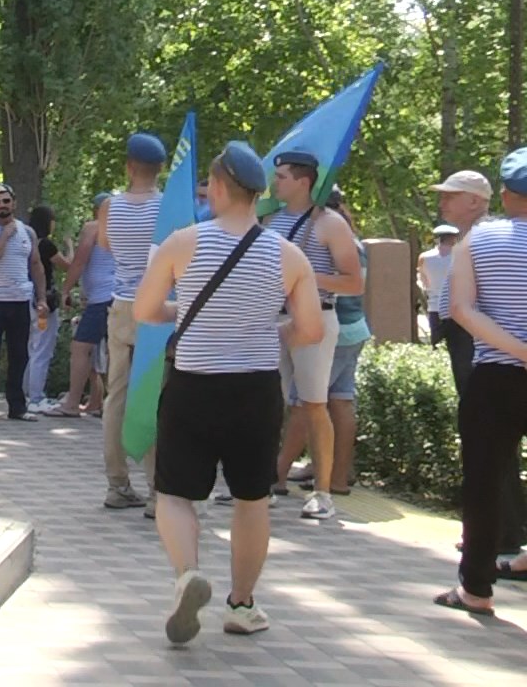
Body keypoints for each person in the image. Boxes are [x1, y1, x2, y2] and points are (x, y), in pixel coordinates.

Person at [137, 141, 323, 644]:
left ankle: (186, 575)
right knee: (252, 498)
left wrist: (182, 314)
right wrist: (269, 329)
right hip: (256, 389)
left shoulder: (182, 243)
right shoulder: (289, 255)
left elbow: (145, 310)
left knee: (174, 492)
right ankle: (242, 604)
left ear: (218, 187)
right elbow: (309, 330)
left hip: (194, 384)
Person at [433, 147, 527, 616]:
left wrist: (518, 349)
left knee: (484, 481)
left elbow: (461, 310)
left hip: (496, 377)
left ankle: (476, 588)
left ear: (507, 194)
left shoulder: (479, 241)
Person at [265, 149, 363, 521]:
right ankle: (262, 482)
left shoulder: (330, 224)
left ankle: (322, 492)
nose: (276, 183)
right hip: (274, 321)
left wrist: (305, 276)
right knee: (266, 402)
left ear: (304, 182)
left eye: (283, 177)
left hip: (314, 320)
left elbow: (354, 283)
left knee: (313, 404)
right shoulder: (272, 221)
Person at [279, 189, 370, 497]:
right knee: (340, 402)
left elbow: (351, 285)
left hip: (333, 326)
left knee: (305, 404)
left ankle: (278, 475)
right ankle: (336, 478)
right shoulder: (354, 240)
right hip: (351, 329)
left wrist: (303, 276)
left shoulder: (337, 236)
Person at [99, 132, 166, 511]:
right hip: (157, 308)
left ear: (129, 167)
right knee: (154, 398)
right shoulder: (168, 208)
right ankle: (158, 489)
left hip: (121, 304)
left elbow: (106, 245)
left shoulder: (110, 206)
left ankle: (116, 483)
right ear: (160, 170)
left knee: (117, 397)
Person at [0, 184, 47, 422]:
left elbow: (36, 265)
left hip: (20, 300)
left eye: (6, 201)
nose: (2, 206)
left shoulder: (27, 232)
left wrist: (42, 298)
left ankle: (17, 406)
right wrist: (5, 235)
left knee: (20, 354)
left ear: (14, 203)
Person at [49, 194, 115, 418]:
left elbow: (80, 260)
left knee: (81, 348)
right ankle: (104, 403)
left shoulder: (94, 227)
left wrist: (66, 289)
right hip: (120, 297)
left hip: (101, 298)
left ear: (96, 210)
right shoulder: (126, 229)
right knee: (113, 351)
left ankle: (72, 403)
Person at [430, 170, 494, 393]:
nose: (442, 203)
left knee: (480, 415)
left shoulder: (485, 238)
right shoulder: (470, 236)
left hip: (477, 339)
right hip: (466, 335)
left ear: (474, 201)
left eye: (450, 196)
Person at [23, 204, 66, 413]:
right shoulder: (47, 245)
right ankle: (36, 396)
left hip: (27, 299)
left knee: (32, 346)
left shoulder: (27, 241)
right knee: (43, 348)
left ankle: (26, 391)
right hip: (44, 301)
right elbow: (68, 264)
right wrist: (70, 246)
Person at [418, 222, 460, 345]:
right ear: (453, 238)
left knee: (437, 345)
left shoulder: (424, 258)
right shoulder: (461, 257)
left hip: (435, 307)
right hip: (457, 309)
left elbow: (423, 282)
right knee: (459, 349)